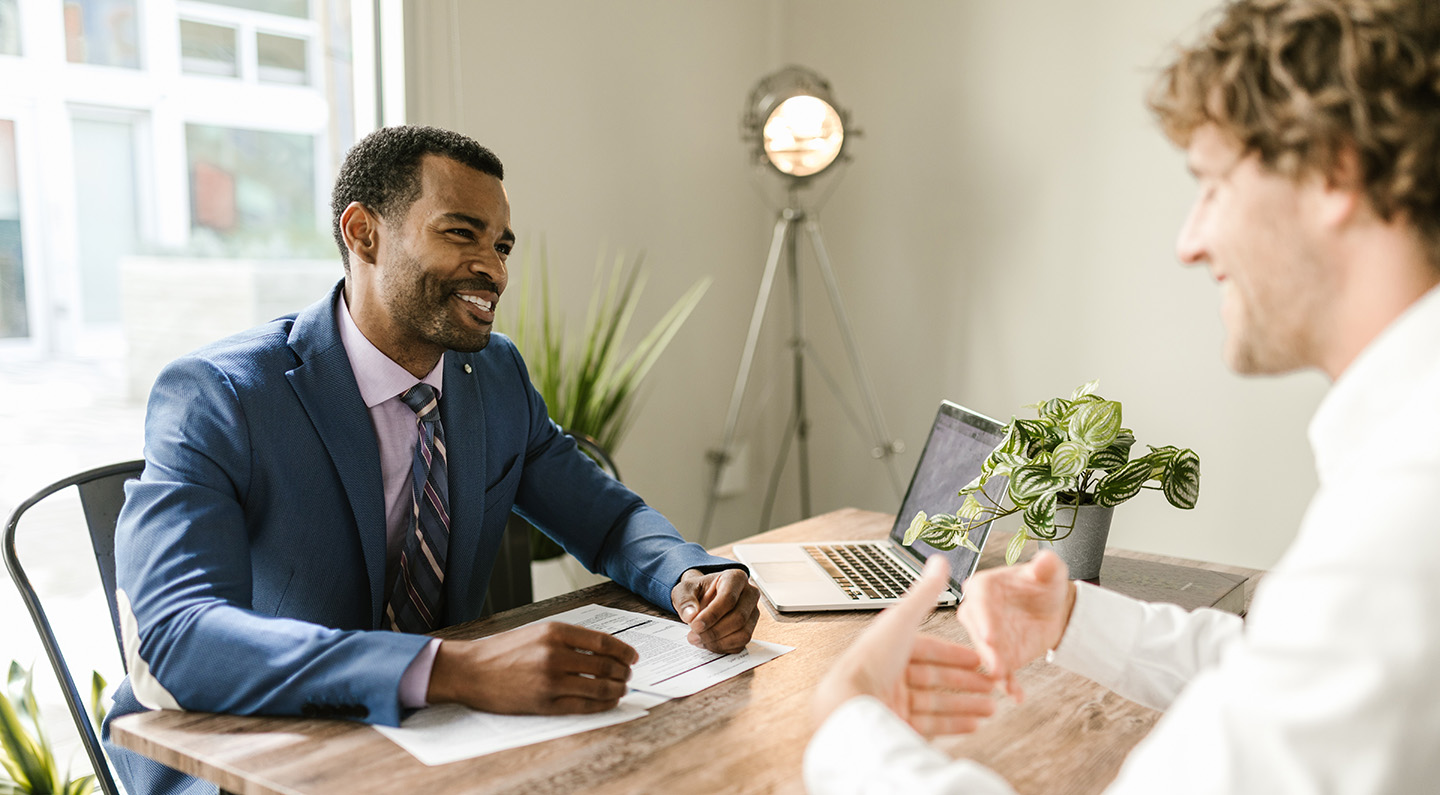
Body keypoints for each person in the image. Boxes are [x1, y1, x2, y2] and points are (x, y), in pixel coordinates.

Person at [806, 0, 1440, 791]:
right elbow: (1291, 672)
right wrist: (1072, 619)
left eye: (1211, 185)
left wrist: (844, 724)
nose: (1189, 241)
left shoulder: (1407, 512)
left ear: (1332, 171)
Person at [104, 125, 760, 795]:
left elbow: (607, 520)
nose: (495, 269)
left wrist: (690, 573)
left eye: (501, 245)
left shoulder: (495, 374)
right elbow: (176, 636)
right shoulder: (220, 395)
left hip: (443, 746)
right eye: (461, 233)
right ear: (363, 232)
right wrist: (452, 668)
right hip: (256, 758)